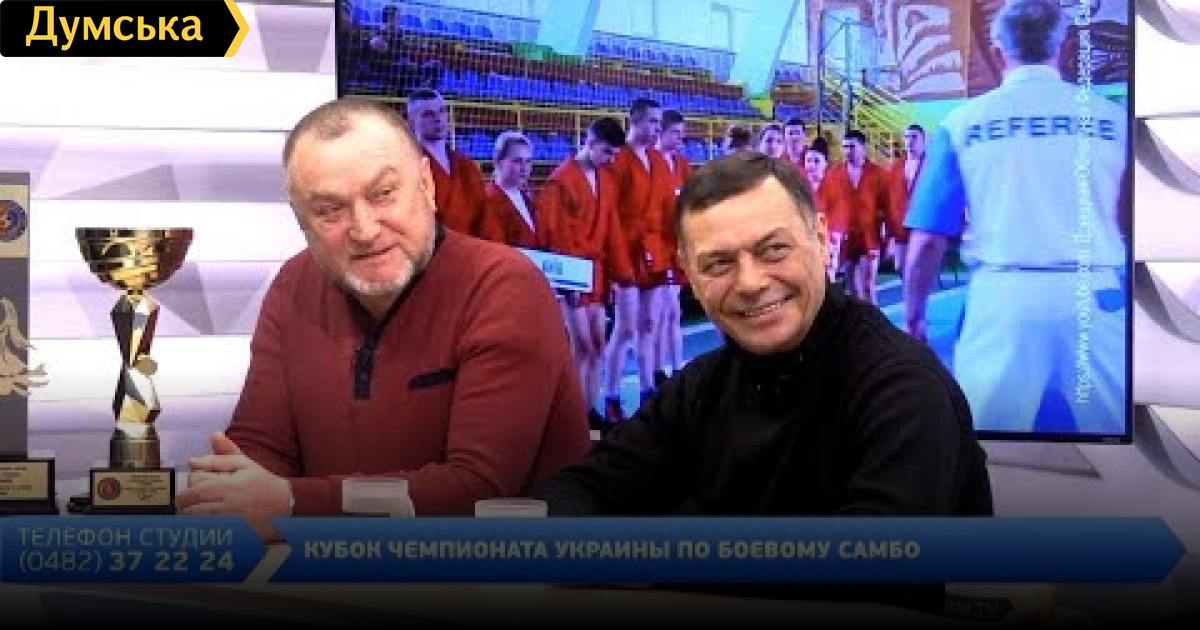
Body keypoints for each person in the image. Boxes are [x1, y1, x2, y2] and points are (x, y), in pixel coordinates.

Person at [534, 151, 994, 615]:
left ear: (821, 240)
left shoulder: (902, 385)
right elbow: (573, 495)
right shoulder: (699, 387)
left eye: (773, 250)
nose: (750, 283)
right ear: (689, 274)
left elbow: (877, 564)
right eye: (718, 264)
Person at [177, 98, 592, 539]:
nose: (365, 229)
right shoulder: (294, 285)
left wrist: (295, 505)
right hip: (330, 568)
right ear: (301, 222)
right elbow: (260, 450)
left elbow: (477, 490)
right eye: (330, 210)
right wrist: (233, 493)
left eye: (383, 194)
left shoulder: (505, 285)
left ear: (427, 186)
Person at [903, 0, 1129, 435]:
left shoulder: (962, 123)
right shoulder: (1113, 120)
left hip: (1004, 298)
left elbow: (928, 239)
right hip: (1093, 292)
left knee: (984, 442)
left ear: (997, 50)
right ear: (1064, 46)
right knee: (1118, 437)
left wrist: (914, 318)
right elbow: (1132, 217)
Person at [537, 117, 636, 430]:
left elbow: (611, 230)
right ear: (590, 143)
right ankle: (570, 419)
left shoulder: (606, 179)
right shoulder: (561, 181)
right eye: (607, 152)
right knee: (582, 346)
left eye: (615, 154)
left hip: (596, 272)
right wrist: (569, 285)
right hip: (574, 275)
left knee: (596, 345)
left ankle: (589, 412)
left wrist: (620, 276)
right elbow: (554, 235)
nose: (611, 159)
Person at [600, 98, 675, 423]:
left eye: (660, 123)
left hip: (654, 252)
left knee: (649, 325)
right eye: (653, 122)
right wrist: (616, 265)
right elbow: (609, 212)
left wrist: (669, 252)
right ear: (635, 121)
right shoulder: (618, 158)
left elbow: (667, 210)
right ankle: (611, 396)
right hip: (626, 254)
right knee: (625, 328)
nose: (658, 128)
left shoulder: (658, 160)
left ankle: (647, 392)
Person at [407, 89, 488, 237]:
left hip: (471, 247)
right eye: (428, 114)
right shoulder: (407, 167)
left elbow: (485, 217)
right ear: (412, 122)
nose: (438, 119)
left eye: (442, 111)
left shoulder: (467, 166)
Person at [823, 130, 889, 304]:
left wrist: (888, 235)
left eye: (852, 146)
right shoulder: (833, 174)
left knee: (868, 285)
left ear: (863, 147)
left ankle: (875, 320)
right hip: (846, 237)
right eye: (845, 147)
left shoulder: (879, 174)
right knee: (852, 287)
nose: (847, 151)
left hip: (870, 236)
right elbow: (828, 206)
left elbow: (887, 206)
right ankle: (860, 319)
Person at [655, 109, 692, 386]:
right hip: (656, 247)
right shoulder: (651, 161)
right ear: (662, 131)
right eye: (675, 133)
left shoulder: (681, 164)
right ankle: (661, 368)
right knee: (664, 313)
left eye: (682, 133)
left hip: (676, 246)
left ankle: (673, 366)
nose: (681, 138)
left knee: (672, 312)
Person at [477, 131, 554, 248]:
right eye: (517, 161)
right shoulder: (488, 201)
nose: (525, 168)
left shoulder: (529, 199)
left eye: (528, 161)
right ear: (498, 161)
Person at [885, 124, 926, 279]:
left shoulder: (930, 165)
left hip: (922, 226)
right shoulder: (896, 167)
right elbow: (890, 198)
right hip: (900, 226)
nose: (910, 140)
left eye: (914, 137)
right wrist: (889, 232)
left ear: (923, 140)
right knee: (900, 267)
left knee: (918, 269)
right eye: (907, 137)